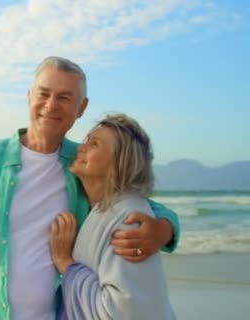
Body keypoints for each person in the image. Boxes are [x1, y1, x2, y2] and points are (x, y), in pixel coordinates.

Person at [0, 56, 180, 320]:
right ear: (30, 96)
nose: (51, 105)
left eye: (65, 98)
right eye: (43, 94)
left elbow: (128, 196)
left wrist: (165, 229)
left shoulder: (80, 166)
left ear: (81, 107)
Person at [49, 113, 175, 319]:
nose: (81, 148)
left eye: (95, 144)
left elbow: (118, 311)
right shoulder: (103, 208)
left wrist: (64, 261)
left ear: (120, 162)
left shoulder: (131, 219)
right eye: (86, 140)